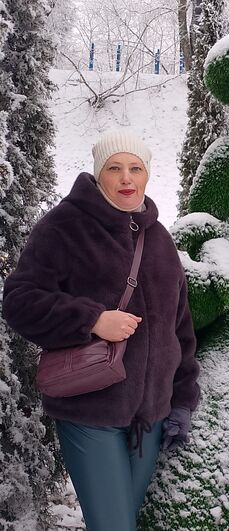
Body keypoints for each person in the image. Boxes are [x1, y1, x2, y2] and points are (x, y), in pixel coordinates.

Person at [2, 128, 201, 531]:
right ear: (98, 174)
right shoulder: (65, 227)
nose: (126, 178)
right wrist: (92, 319)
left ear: (147, 175)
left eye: (135, 168)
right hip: (90, 412)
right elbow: (19, 300)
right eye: (114, 168)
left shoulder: (160, 240)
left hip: (149, 421)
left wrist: (182, 401)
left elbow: (179, 330)